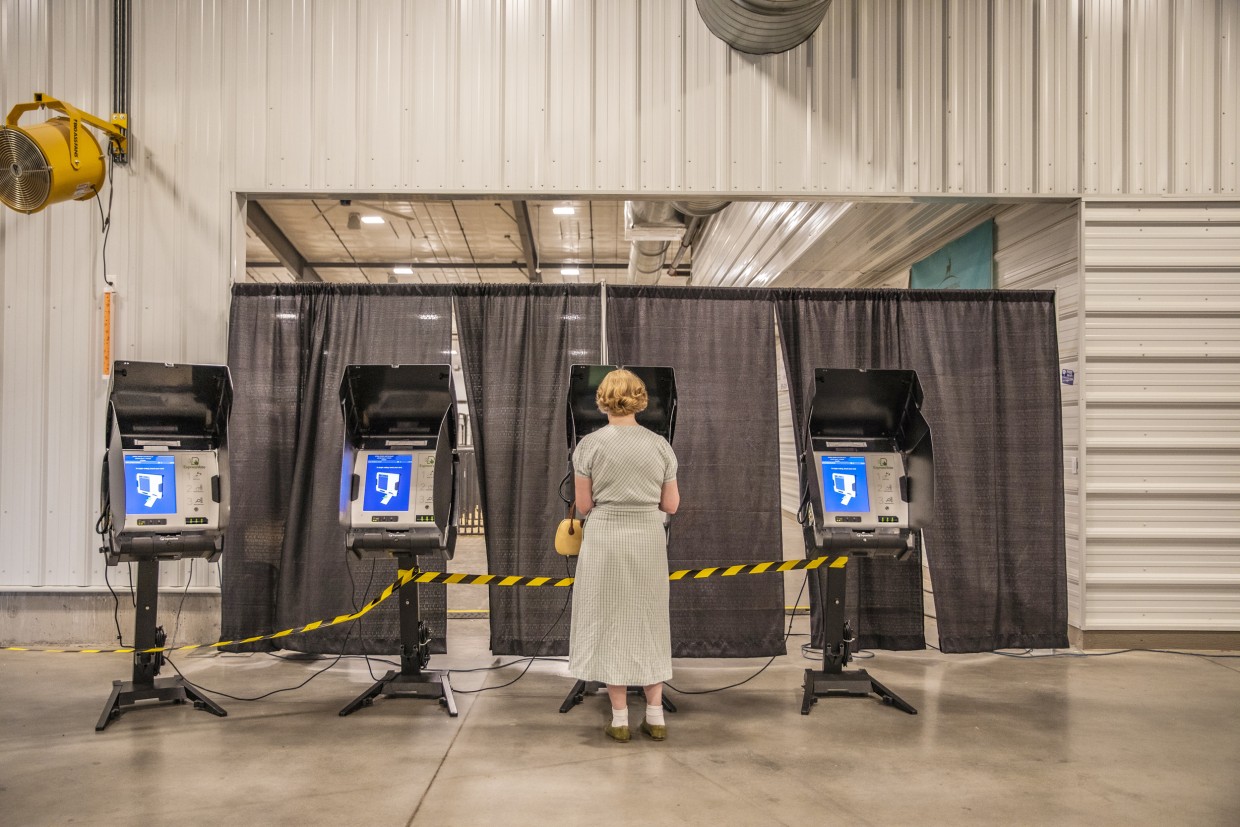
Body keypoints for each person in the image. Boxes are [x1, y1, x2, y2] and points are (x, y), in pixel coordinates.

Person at [569, 368, 680, 743]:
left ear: (602, 399)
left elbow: (583, 506)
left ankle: (619, 720)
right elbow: (671, 504)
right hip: (648, 537)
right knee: (649, 620)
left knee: (609, 619)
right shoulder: (660, 445)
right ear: (639, 399)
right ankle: (655, 716)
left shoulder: (589, 446)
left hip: (604, 540)